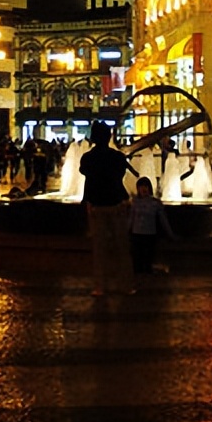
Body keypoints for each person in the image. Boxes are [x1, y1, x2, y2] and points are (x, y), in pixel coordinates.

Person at [79, 120, 136, 297]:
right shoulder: (117, 157)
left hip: (96, 206)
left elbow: (87, 178)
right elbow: (119, 178)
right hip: (116, 205)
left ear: (93, 138)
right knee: (122, 248)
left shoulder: (87, 158)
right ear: (109, 136)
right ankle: (126, 285)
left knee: (99, 249)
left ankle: (100, 286)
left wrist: (86, 201)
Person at [129, 176, 175, 274]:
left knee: (147, 260)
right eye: (141, 186)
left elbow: (163, 219)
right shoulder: (135, 202)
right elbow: (131, 218)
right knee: (137, 261)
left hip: (149, 234)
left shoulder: (155, 203)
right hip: (137, 234)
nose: (144, 189)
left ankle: (147, 282)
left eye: (146, 186)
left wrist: (170, 233)